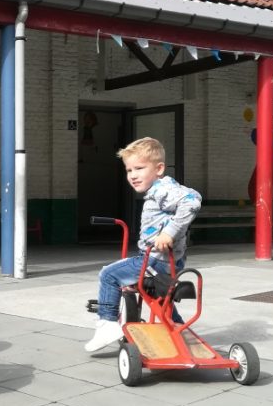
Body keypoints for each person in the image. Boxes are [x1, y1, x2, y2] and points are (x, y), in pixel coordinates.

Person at [83, 137, 202, 352]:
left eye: (139, 168)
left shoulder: (162, 189)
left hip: (155, 262)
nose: (133, 175)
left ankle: (107, 324)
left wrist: (169, 232)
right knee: (161, 301)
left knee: (109, 275)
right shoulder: (159, 190)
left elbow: (193, 199)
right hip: (167, 263)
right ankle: (178, 330)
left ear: (159, 168)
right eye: (129, 170)